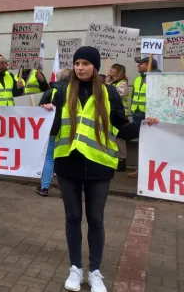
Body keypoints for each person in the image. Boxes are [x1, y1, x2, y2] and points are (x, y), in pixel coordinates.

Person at [40, 46, 139, 292]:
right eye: (77, 63)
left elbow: (122, 127)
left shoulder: (109, 93)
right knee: (72, 218)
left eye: (85, 63)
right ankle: (75, 268)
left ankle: (95, 271)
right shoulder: (59, 91)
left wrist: (146, 125)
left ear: (95, 66)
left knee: (96, 219)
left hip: (99, 166)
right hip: (68, 164)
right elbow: (48, 130)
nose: (80, 67)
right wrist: (44, 114)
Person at [35, 68, 71, 197]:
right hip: (68, 129)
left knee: (49, 158)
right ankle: (65, 190)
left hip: (51, 129)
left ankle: (44, 188)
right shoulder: (74, 92)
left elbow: (40, 109)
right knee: (64, 159)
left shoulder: (50, 91)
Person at [127, 57, 161, 178]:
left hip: (151, 117)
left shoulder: (159, 78)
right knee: (142, 144)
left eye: (141, 63)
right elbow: (134, 95)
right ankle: (141, 169)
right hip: (138, 115)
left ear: (149, 65)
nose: (138, 66)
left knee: (153, 144)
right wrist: (133, 109)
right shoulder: (137, 79)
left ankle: (152, 171)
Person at [105, 64, 129, 172]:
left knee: (119, 139)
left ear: (118, 72)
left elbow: (117, 95)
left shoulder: (122, 83)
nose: (110, 70)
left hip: (119, 115)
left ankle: (121, 160)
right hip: (110, 113)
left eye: (113, 69)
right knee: (110, 137)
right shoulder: (110, 82)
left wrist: (107, 85)